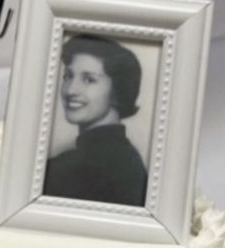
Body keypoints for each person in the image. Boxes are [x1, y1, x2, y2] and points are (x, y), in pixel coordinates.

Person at [43, 34, 148, 207]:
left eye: (89, 80)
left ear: (118, 89)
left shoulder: (86, 169)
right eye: (68, 76)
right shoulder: (127, 157)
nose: (70, 90)